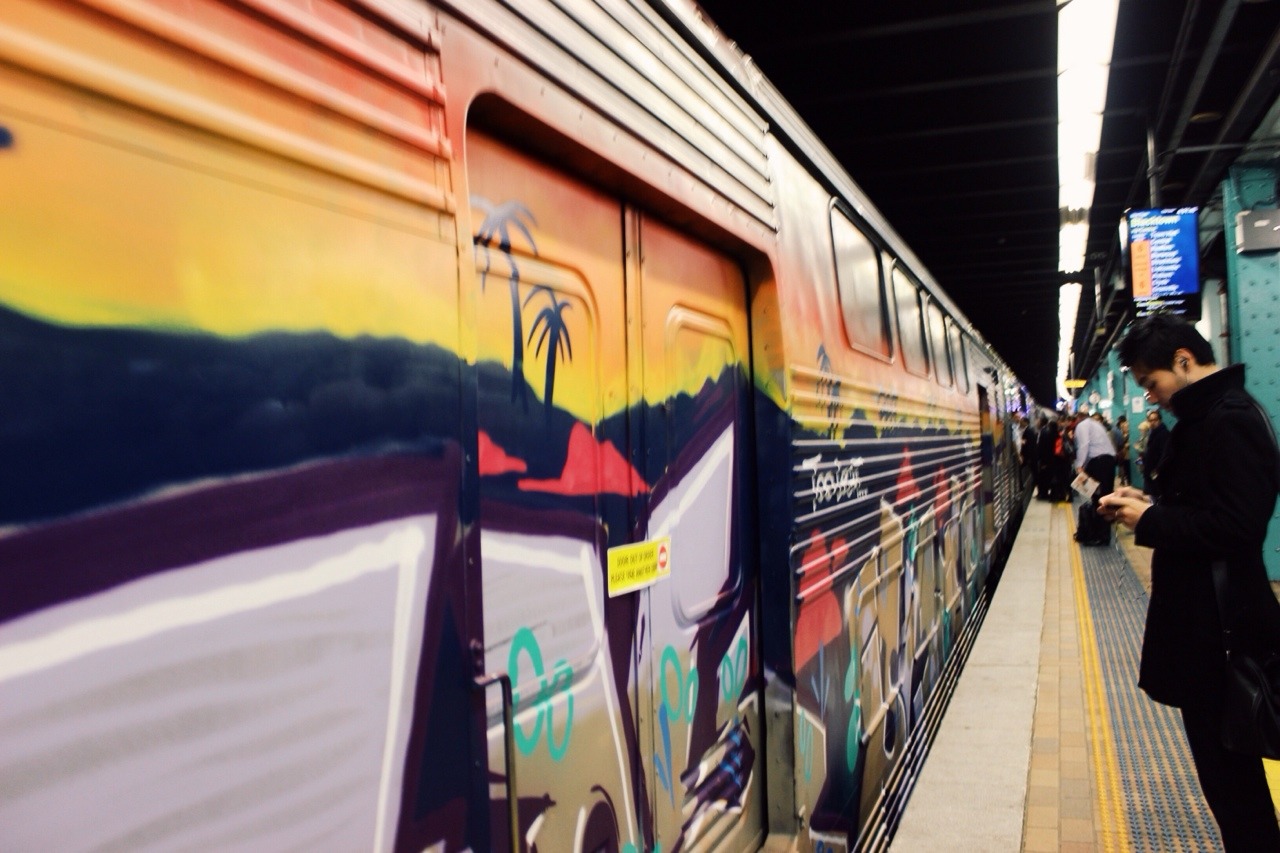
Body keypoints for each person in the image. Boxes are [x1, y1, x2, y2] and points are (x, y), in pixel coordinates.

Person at [1099, 314, 1280, 850]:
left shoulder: (1232, 418)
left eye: (1152, 384)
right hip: (1207, 630)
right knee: (1225, 782)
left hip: (1223, 637)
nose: (1151, 398)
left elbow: (1239, 525)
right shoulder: (1209, 419)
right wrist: (1148, 505)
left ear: (1183, 361)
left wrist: (1151, 522)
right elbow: (1210, 508)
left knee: (1233, 783)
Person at [1072, 410, 1116, 544]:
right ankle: (1102, 534)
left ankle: (1099, 536)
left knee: (1099, 498)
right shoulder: (1095, 424)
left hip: (1099, 462)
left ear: (1078, 418)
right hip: (1107, 461)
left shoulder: (1082, 425)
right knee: (1104, 498)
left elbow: (1084, 445)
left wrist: (1079, 466)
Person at [1141, 408, 1170, 497]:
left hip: (1157, 474)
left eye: (1155, 420)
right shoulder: (1153, 434)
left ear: (1160, 420)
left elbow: (1164, 455)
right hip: (1151, 473)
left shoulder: (1163, 434)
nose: (1152, 422)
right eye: (1150, 420)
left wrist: (1156, 472)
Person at [1114, 415, 1131, 486]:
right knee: (1124, 467)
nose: (1123, 427)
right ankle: (1124, 480)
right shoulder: (1122, 434)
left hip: (1127, 455)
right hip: (1124, 455)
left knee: (1127, 468)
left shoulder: (1128, 435)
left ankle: (1128, 482)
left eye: (1124, 426)